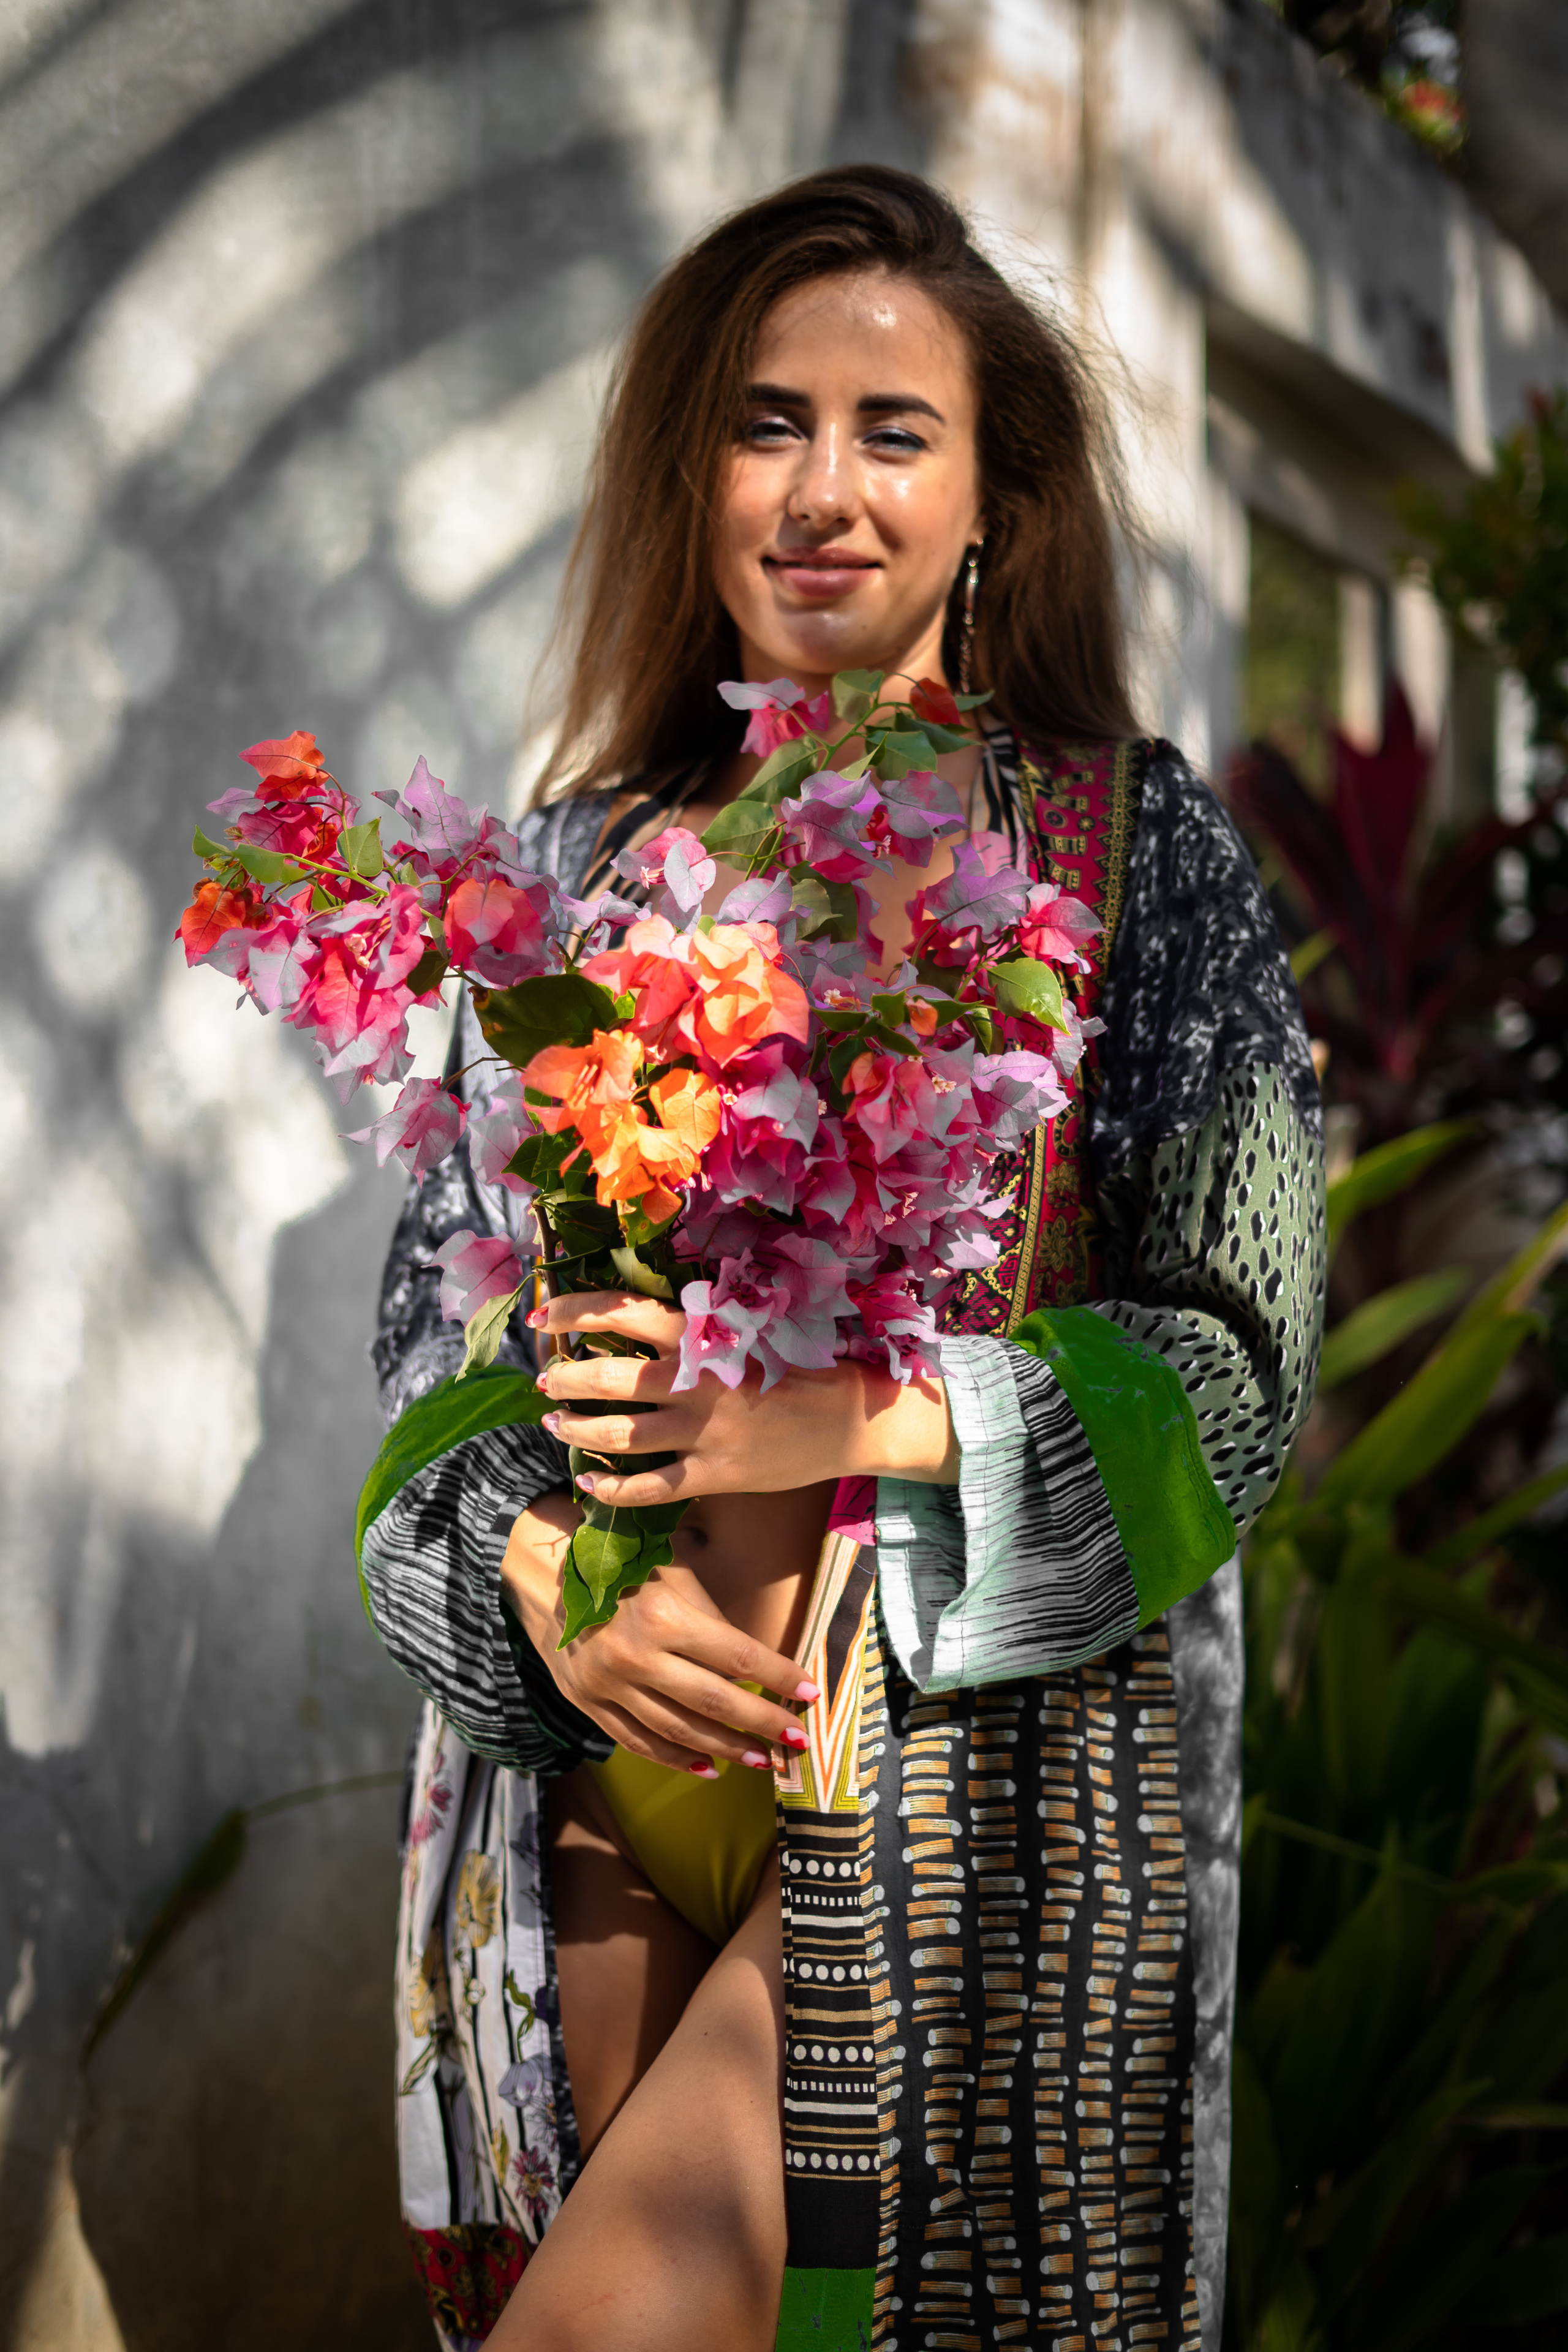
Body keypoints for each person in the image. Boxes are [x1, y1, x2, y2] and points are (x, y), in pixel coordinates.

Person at [361, 164, 1325, 2352]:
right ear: (691, 474)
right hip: (583, 1787)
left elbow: (1239, 1369)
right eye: (765, 423)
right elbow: (429, 1351)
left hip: (940, 1791)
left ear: (997, 500)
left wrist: (841, 1412)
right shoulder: (566, 864)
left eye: (896, 432)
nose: (825, 490)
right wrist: (527, 1581)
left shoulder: (1131, 845)